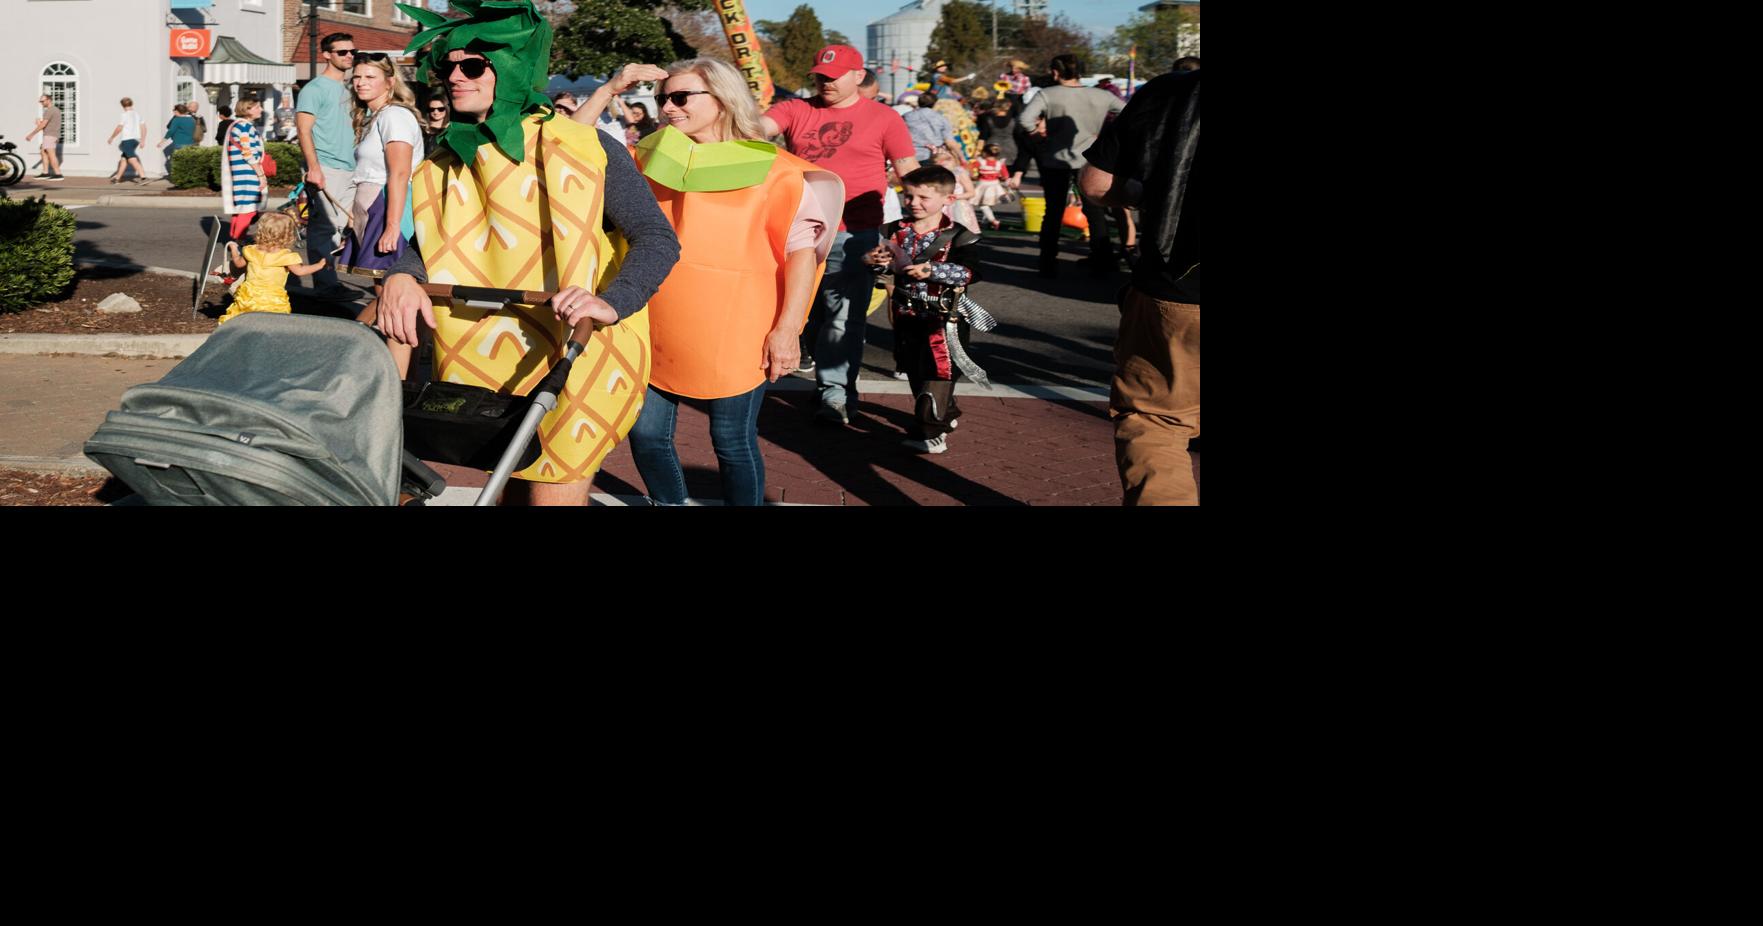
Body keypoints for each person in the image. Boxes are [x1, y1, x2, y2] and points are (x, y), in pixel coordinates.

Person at [373, 0, 680, 506]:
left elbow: (656, 236)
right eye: (448, 66)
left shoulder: (585, 147)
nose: (454, 77)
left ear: (512, 69)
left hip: (577, 351)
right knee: (503, 493)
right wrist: (404, 275)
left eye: (473, 66)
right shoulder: (446, 159)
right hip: (482, 357)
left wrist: (613, 300)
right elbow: (428, 241)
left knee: (549, 496)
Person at [573, 59, 842, 506]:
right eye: (663, 99)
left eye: (681, 98)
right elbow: (575, 145)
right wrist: (612, 87)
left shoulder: (777, 170)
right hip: (653, 318)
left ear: (723, 100)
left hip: (739, 326)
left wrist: (788, 330)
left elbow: (801, 256)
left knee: (732, 441)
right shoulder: (647, 157)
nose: (668, 108)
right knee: (645, 433)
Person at [759, 44, 919, 427]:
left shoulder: (884, 117)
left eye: (833, 76)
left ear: (858, 76)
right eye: (820, 75)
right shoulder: (797, 109)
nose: (825, 82)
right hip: (797, 231)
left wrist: (924, 224)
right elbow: (756, 129)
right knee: (807, 314)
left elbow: (908, 170)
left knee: (842, 318)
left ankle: (835, 394)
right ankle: (821, 376)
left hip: (855, 234)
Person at [1079, 69, 1200, 506]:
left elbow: (1096, 184)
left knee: (1156, 420)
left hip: (1179, 285)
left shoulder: (1171, 92)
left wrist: (1160, 192)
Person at [863, 165, 981, 455]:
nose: (914, 203)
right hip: (906, 317)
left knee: (938, 373)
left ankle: (930, 431)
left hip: (944, 321)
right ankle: (945, 412)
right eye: (909, 196)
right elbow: (882, 263)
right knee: (915, 372)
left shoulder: (959, 236)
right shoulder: (891, 231)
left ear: (947, 200)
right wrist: (873, 260)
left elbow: (972, 271)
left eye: (923, 198)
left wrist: (933, 270)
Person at [1018, 54, 1122, 277]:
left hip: (1055, 157)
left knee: (1053, 210)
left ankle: (1047, 261)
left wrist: (1038, 138)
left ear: (1055, 72)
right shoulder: (1101, 95)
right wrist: (1106, 138)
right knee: (1095, 210)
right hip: (1090, 158)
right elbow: (1129, 112)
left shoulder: (1047, 94)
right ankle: (1102, 259)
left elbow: (1025, 119)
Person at [335, 52, 423, 286]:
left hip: (387, 207)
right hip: (371, 207)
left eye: (370, 76)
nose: (361, 82)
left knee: (391, 287)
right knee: (380, 287)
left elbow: (400, 173)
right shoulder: (375, 117)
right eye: (357, 77)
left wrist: (392, 226)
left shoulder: (395, 116)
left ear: (390, 81)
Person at [295, 32, 360, 301]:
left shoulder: (351, 89)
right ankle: (326, 285)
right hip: (326, 167)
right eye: (342, 52)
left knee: (341, 228)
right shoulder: (315, 89)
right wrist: (314, 167)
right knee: (324, 229)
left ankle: (331, 281)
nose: (349, 56)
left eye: (351, 52)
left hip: (351, 167)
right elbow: (303, 129)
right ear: (327, 55)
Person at [216, 212, 328, 324]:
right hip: (273, 299)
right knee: (271, 324)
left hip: (249, 296)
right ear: (287, 235)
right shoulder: (286, 257)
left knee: (243, 322)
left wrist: (234, 250)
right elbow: (300, 271)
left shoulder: (251, 251)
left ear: (261, 231)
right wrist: (319, 265)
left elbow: (238, 264)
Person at [221, 95, 268, 240]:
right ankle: (238, 241)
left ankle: (235, 240)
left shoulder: (238, 125)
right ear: (248, 109)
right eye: (257, 107)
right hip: (247, 174)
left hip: (241, 173)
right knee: (248, 209)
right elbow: (248, 153)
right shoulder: (245, 126)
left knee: (242, 209)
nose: (261, 109)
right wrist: (260, 175)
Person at [903, 91, 964, 165]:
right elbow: (950, 142)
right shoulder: (942, 119)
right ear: (935, 103)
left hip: (911, 156)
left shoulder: (906, 116)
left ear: (918, 102)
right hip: (935, 157)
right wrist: (961, 158)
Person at [106, 97, 147, 184]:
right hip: (136, 140)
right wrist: (143, 140)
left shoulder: (124, 115)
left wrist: (112, 137)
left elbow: (119, 127)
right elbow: (143, 127)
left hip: (127, 140)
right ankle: (117, 179)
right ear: (132, 103)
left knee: (132, 159)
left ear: (122, 105)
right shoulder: (137, 114)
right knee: (124, 159)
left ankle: (143, 178)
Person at [24, 94, 64, 180]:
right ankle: (45, 173)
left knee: (51, 154)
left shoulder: (50, 110)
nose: (41, 103)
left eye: (42, 101)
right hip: (51, 135)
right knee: (43, 151)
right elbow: (48, 125)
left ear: (49, 100)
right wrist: (40, 123)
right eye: (40, 101)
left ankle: (58, 174)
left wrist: (31, 134)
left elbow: (44, 124)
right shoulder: (55, 110)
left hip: (50, 135)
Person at [972, 143, 1010, 230]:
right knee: (989, 204)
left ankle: (993, 221)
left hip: (983, 185)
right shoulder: (999, 163)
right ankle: (985, 222)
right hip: (995, 185)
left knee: (983, 205)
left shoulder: (980, 161)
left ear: (984, 153)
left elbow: (971, 170)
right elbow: (1005, 176)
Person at [160, 104, 197, 178]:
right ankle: (188, 178)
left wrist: (162, 141)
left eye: (174, 110)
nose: (173, 112)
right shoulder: (192, 119)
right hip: (191, 143)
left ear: (177, 111)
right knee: (187, 162)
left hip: (179, 144)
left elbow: (171, 131)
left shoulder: (177, 119)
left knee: (177, 163)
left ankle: (179, 179)